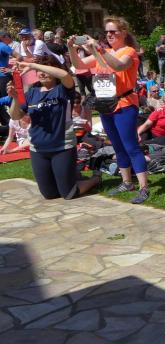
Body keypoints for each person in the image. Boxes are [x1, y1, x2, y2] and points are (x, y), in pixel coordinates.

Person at [68, 17, 150, 204]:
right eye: (107, 32)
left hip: (125, 103)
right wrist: (71, 48)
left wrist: (99, 49)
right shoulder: (104, 52)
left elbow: (119, 65)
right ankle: (127, 182)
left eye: (113, 31)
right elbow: (79, 65)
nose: (109, 35)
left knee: (131, 146)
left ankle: (144, 187)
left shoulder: (129, 51)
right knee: (117, 145)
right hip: (106, 104)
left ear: (124, 33)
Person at [7, 55, 100, 199]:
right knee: (49, 194)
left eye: (46, 69)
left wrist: (33, 65)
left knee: (68, 194)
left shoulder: (63, 88)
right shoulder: (32, 93)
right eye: (39, 71)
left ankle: (95, 179)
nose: (42, 73)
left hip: (62, 147)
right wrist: (14, 98)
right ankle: (72, 176)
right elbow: (16, 116)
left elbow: (64, 75)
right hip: (38, 149)